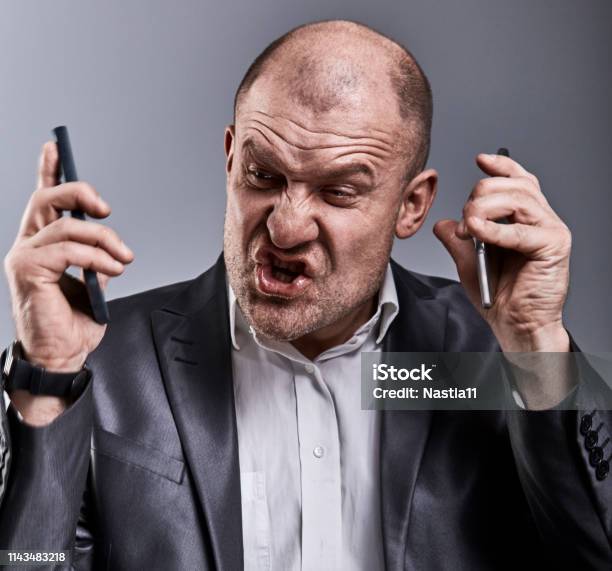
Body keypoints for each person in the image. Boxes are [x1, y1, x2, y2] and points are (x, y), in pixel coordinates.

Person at [0, 19, 610, 570]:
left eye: (339, 191)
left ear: (411, 205)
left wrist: (534, 345)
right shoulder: (100, 360)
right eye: (264, 175)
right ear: (231, 156)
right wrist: (48, 379)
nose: (286, 227)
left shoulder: (486, 361)